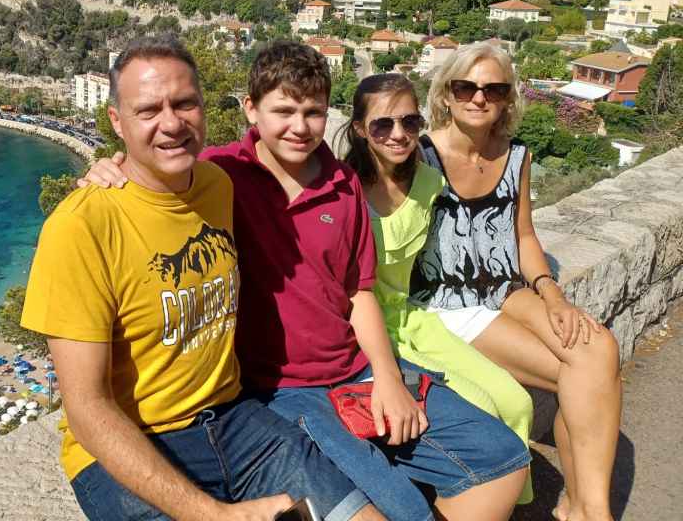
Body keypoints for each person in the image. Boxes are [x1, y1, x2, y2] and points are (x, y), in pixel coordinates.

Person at [80, 41, 530, 521]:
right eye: (284, 111)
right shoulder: (222, 175)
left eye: (313, 112)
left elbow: (358, 291)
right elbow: (156, 179)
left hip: (355, 367)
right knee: (403, 508)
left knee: (501, 458)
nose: (299, 127)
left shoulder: (343, 184)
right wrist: (108, 169)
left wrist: (388, 376)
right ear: (251, 109)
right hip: (279, 388)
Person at [22, 35, 382, 521]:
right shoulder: (80, 227)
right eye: (148, 110)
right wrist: (214, 515)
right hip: (135, 441)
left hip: (234, 420)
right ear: (116, 122)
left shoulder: (218, 184)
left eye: (185, 104)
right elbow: (87, 410)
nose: (172, 123)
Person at [412, 41, 622, 521]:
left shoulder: (516, 156)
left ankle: (587, 506)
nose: (478, 98)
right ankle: (587, 510)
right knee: (583, 374)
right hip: (446, 300)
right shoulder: (420, 156)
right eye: (466, 87)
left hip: (506, 290)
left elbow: (523, 235)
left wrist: (553, 294)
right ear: (445, 93)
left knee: (599, 348)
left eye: (494, 89)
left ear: (508, 98)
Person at [341, 73, 534, 503]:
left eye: (410, 122)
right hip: (364, 327)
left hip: (413, 318)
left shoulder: (429, 184)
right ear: (359, 129)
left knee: (517, 402)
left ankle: (505, 504)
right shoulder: (343, 190)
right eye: (382, 124)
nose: (398, 134)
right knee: (482, 403)